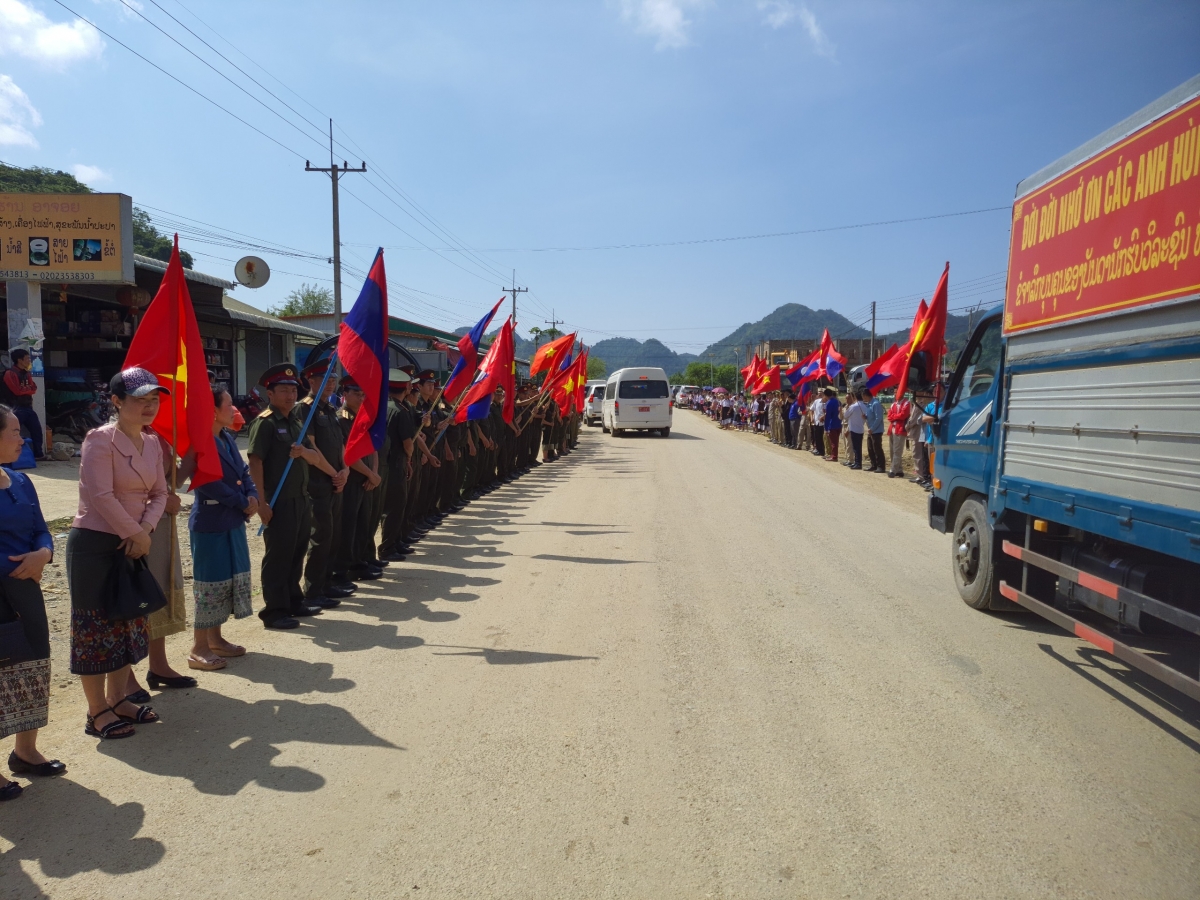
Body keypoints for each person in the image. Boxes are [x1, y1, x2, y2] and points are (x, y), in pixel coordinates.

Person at [69, 367, 168, 740]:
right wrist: (135, 533)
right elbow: (100, 495)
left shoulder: (152, 442)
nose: (149, 406)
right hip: (96, 543)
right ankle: (96, 712)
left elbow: (159, 493)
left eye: (154, 399)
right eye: (140, 400)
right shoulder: (100, 440)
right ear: (116, 402)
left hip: (133, 542)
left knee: (126, 621)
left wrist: (144, 532)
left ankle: (119, 698)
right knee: (94, 630)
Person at [0, 404, 64, 799]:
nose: (22, 438)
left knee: (34, 664)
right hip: (3, 586)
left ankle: (26, 750)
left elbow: (42, 530)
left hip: (26, 590)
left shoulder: (20, 482)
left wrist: (44, 554)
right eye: (13, 431)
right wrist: (17, 564)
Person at [246, 363, 329, 630]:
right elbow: (255, 462)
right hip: (278, 500)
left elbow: (315, 457)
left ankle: (294, 600)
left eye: (293, 390)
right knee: (278, 556)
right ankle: (274, 610)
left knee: (297, 551)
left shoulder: (296, 421)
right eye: (283, 390)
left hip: (301, 498)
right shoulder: (265, 423)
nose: (290, 395)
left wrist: (302, 453)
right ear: (269, 393)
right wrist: (261, 502)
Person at [187, 387, 258, 670]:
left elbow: (243, 472)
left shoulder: (226, 438)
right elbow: (207, 481)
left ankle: (216, 639)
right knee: (208, 584)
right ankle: (198, 647)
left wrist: (252, 496)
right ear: (213, 410)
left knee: (225, 581)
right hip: (211, 521)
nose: (234, 410)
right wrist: (242, 501)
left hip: (232, 520)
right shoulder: (201, 441)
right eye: (229, 405)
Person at [298, 359, 350, 609]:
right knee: (320, 537)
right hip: (318, 483)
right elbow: (311, 447)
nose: (330, 384)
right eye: (324, 379)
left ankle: (327, 583)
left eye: (333, 379)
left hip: (336, 481)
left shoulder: (330, 409)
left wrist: (345, 470)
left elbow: (340, 444)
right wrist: (334, 474)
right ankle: (313, 589)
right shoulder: (305, 409)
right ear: (310, 381)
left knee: (334, 535)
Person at [4, 349, 43, 460]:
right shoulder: (10, 373)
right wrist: (27, 389)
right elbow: (17, 391)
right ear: (19, 360)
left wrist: (25, 389)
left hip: (28, 406)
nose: (29, 361)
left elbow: (34, 388)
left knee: (37, 431)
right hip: (15, 408)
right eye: (27, 358)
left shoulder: (26, 373)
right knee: (13, 432)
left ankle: (39, 455)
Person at [886, 392, 912, 478]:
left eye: (896, 392)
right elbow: (889, 416)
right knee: (892, 450)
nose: (895, 394)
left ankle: (893, 470)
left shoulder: (907, 403)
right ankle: (899, 469)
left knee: (897, 450)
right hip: (892, 428)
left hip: (900, 429)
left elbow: (903, 415)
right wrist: (896, 416)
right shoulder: (894, 404)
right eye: (894, 392)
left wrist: (894, 416)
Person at [910, 391, 932, 487]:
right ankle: (923, 476)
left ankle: (925, 477)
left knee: (923, 456)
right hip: (922, 434)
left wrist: (907, 425)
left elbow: (917, 419)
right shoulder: (918, 404)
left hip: (925, 433)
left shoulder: (924, 405)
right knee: (921, 456)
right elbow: (918, 419)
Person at [863, 389, 886, 473]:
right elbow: (871, 415)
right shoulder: (869, 404)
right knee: (870, 448)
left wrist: (872, 428)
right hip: (870, 430)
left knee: (877, 448)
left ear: (866, 395)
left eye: (863, 396)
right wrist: (865, 417)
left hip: (876, 430)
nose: (863, 398)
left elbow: (879, 418)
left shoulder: (875, 404)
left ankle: (881, 466)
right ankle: (873, 464)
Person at [844, 391, 866, 470]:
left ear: (855, 398)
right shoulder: (864, 406)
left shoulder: (853, 407)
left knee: (856, 448)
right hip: (860, 428)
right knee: (858, 447)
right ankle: (857, 462)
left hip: (853, 429)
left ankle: (858, 463)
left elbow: (845, 415)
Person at [822, 388, 842, 462]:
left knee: (833, 442)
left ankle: (834, 456)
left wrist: (826, 428)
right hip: (839, 423)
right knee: (836, 441)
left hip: (832, 424)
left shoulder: (829, 403)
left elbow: (828, 417)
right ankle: (834, 455)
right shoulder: (837, 401)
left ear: (825, 395)